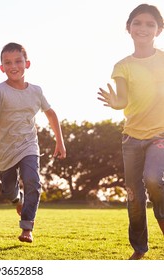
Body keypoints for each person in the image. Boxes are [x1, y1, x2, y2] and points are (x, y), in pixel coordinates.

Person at [0, 42, 66, 243]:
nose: (13, 66)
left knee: (33, 182)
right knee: (9, 190)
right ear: (2, 68)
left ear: (27, 63)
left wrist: (59, 141)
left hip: (28, 145)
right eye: (7, 62)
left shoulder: (36, 91)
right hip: (4, 149)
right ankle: (17, 200)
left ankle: (27, 227)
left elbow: (51, 114)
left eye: (18, 61)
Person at [98, 4, 164, 260]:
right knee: (134, 197)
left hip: (160, 135)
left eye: (150, 24)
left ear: (159, 29)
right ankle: (139, 247)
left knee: (154, 179)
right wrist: (116, 103)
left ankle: (161, 214)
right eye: (137, 23)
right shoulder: (122, 66)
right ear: (128, 28)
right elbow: (123, 99)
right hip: (132, 138)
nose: (143, 28)